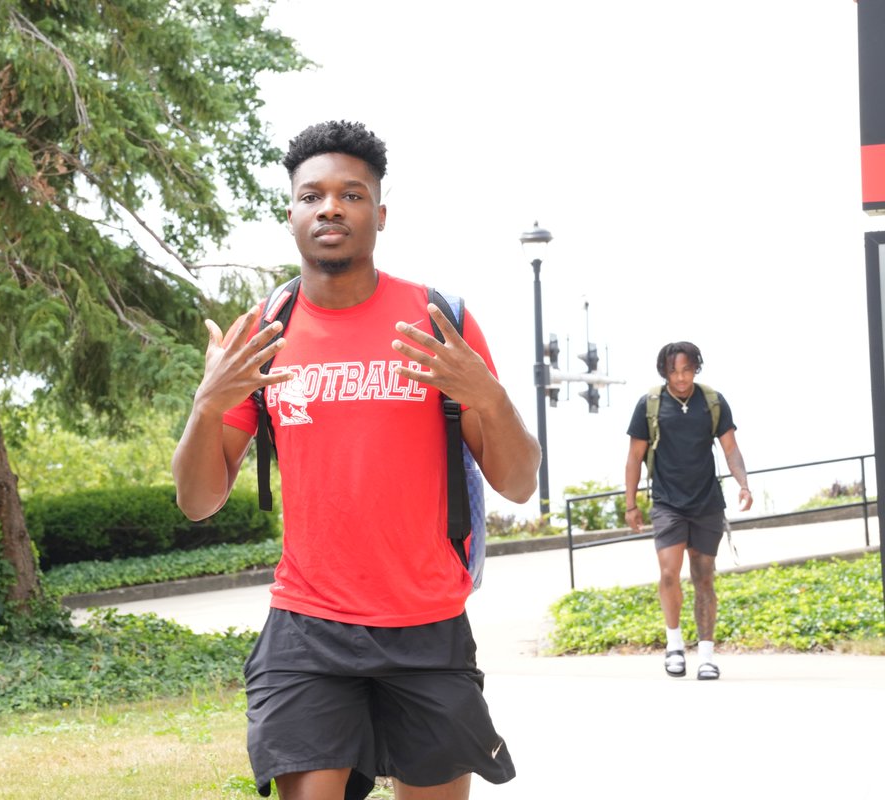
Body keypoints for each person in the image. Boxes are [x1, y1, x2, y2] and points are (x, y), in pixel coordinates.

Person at [172, 120, 542, 800]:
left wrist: (486, 395)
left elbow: (519, 481)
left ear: (380, 211)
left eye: (351, 194)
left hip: (426, 624)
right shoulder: (262, 333)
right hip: (308, 628)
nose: (331, 208)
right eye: (312, 196)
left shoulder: (438, 321)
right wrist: (206, 405)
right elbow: (198, 500)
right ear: (291, 214)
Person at [623, 342, 752, 681]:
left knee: (704, 577)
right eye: (673, 371)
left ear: (696, 367)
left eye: (687, 370)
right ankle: (674, 645)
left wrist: (743, 483)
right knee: (669, 573)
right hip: (667, 502)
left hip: (706, 502)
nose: (680, 378)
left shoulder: (712, 401)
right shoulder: (650, 405)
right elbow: (634, 457)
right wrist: (631, 504)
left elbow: (731, 448)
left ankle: (707, 655)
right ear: (664, 372)